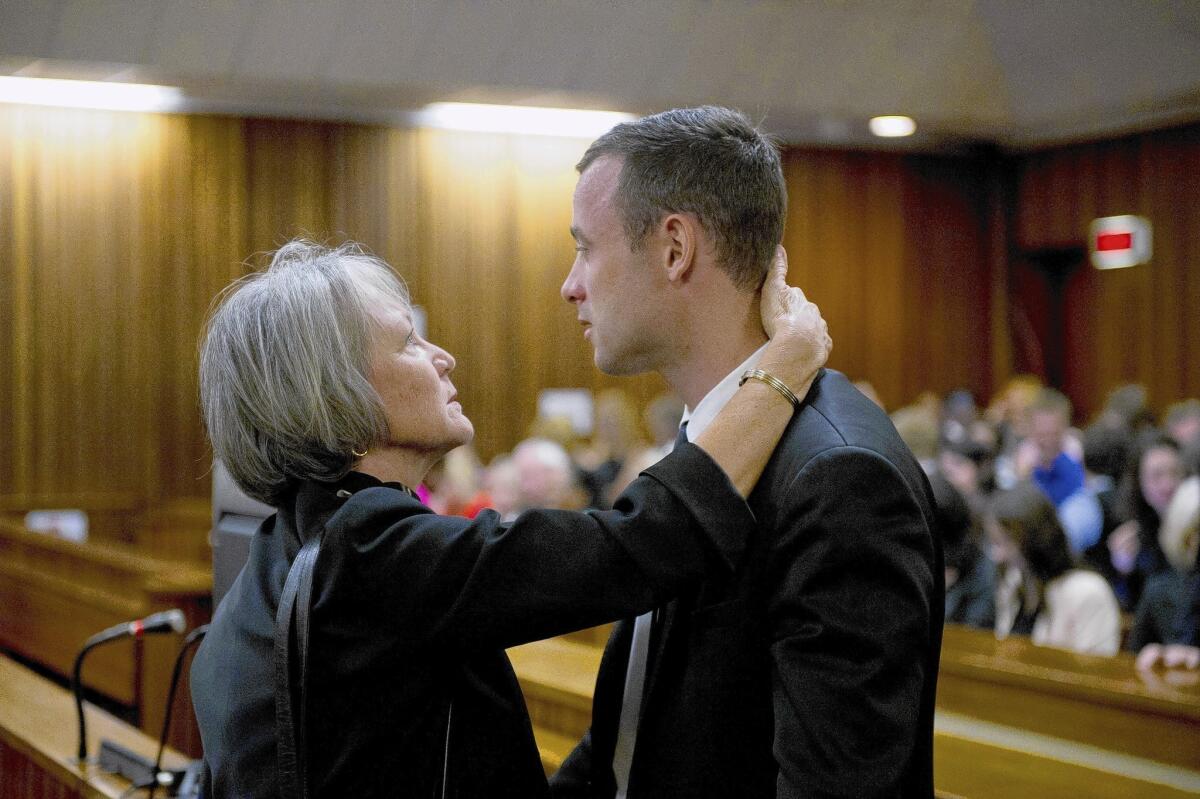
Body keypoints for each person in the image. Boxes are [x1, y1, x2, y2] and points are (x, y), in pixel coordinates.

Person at [189, 239, 832, 798]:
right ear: (336, 393)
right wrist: (787, 362)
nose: (443, 356)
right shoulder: (368, 551)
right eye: (408, 341)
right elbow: (648, 540)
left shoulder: (284, 547)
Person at [553, 106, 941, 798]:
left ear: (675, 247)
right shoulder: (709, 436)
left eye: (586, 247)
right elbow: (631, 739)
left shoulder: (841, 476)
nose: (571, 283)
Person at [987, 483, 1121, 656]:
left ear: (1036, 540)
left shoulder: (1088, 592)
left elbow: (1094, 673)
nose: (998, 555)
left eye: (1005, 542)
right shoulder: (1014, 583)